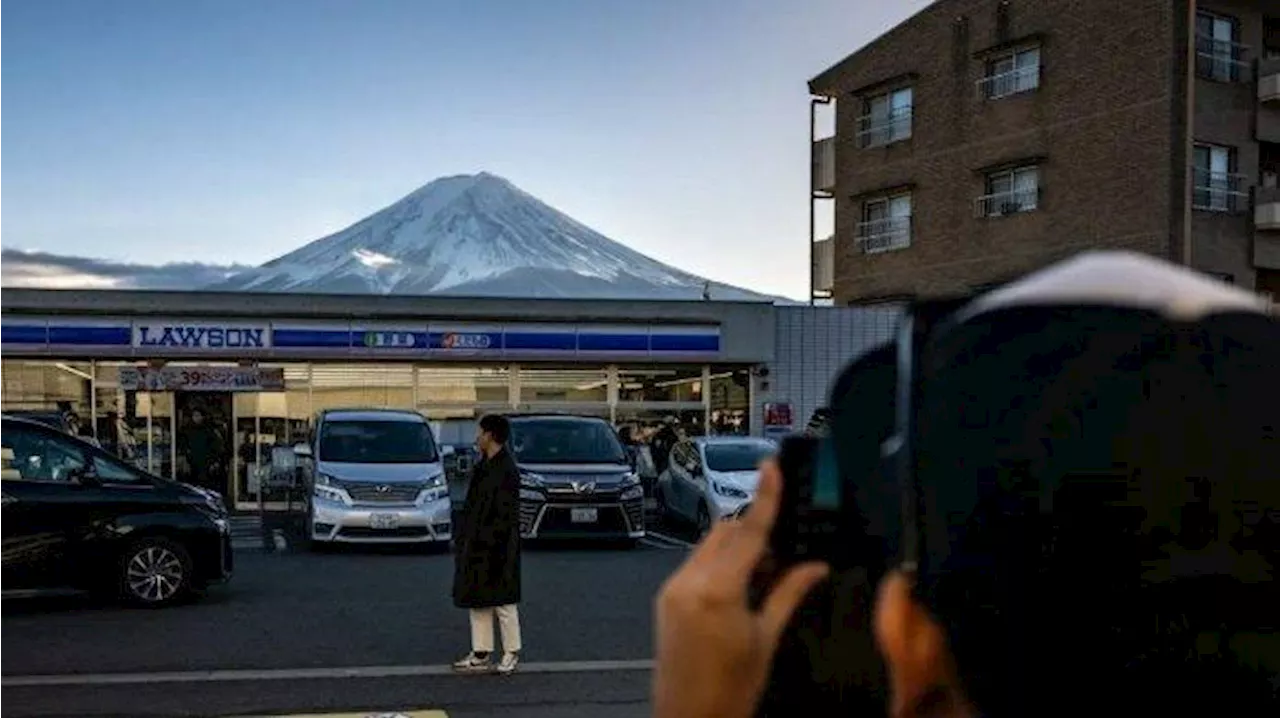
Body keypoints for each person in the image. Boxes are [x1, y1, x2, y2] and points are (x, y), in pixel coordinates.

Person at [452, 414, 523, 675]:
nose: (477, 437)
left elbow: (506, 514)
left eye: (480, 433)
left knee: (504, 600)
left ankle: (511, 651)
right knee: (478, 599)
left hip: (500, 544)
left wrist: (489, 539)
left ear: (491, 435)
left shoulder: (506, 470)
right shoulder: (484, 466)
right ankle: (481, 651)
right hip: (477, 542)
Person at [178, 409, 223, 496]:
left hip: (206, 463)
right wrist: (186, 459)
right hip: (192, 463)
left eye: (198, 415)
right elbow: (183, 446)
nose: (196, 418)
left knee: (206, 486)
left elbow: (216, 446)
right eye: (194, 416)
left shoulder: (209, 430)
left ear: (202, 417)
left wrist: (214, 461)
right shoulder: (187, 430)